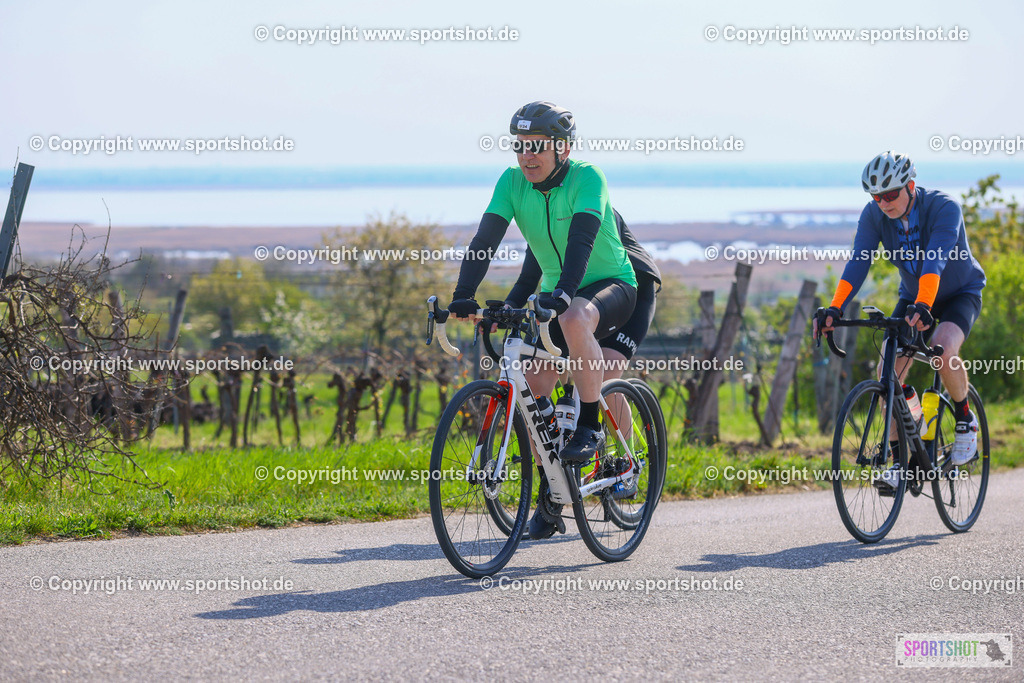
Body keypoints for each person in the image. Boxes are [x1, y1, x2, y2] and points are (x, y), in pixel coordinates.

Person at [448, 101, 637, 538]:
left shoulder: (588, 177)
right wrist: (462, 295)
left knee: (573, 319)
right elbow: (485, 239)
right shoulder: (512, 183)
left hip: (611, 286)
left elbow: (583, 240)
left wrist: (567, 292)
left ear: (563, 149)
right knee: (533, 388)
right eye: (520, 146)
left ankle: (590, 423)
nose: (527, 156)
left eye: (537, 147)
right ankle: (552, 494)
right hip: (557, 294)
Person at [813, 151, 986, 492]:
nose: (883, 203)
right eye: (876, 196)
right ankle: (899, 460)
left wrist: (926, 304)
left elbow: (935, 260)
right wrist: (835, 308)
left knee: (942, 347)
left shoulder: (944, 208)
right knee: (887, 373)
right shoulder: (874, 216)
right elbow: (858, 261)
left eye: (891, 194)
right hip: (913, 296)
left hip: (957, 293)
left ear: (911, 185)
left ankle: (965, 418)